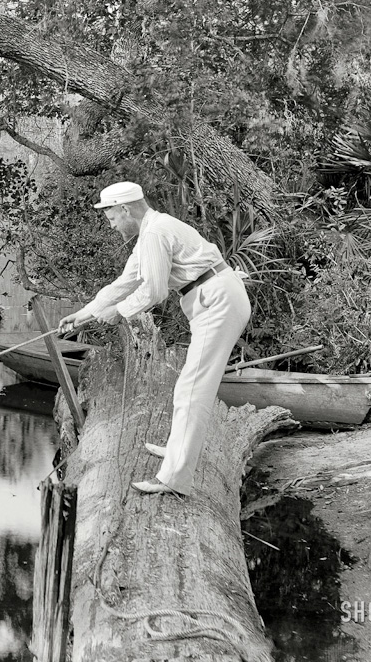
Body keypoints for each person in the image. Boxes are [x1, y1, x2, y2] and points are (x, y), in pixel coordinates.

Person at [57, 181, 251, 497]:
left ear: (125, 208)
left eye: (112, 218)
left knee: (192, 390)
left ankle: (174, 479)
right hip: (214, 298)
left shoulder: (154, 234)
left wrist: (120, 312)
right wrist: (85, 314)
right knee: (189, 387)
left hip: (219, 301)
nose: (112, 224)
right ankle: (177, 453)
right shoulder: (151, 232)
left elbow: (155, 291)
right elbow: (126, 282)